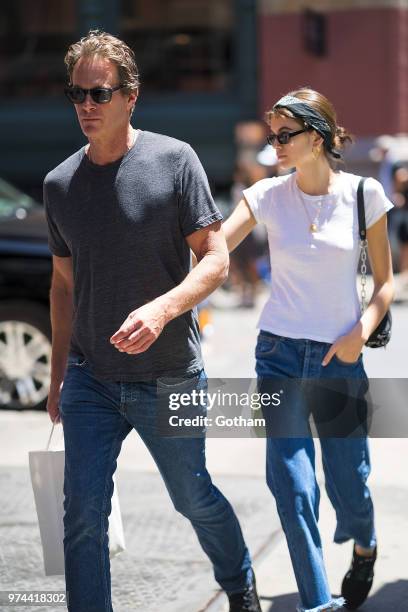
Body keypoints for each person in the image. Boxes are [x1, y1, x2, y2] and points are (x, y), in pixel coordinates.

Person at [44, 30, 261, 612]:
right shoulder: (59, 185)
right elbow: (63, 283)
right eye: (77, 94)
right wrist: (60, 373)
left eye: (99, 93)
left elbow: (216, 259)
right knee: (82, 516)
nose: (86, 106)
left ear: (130, 95)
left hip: (169, 376)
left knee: (192, 497)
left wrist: (163, 308)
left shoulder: (174, 160)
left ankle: (239, 581)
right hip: (92, 377)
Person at [222, 88, 394, 611]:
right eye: (271, 134)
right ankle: (319, 603)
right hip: (277, 354)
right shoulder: (267, 195)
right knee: (292, 487)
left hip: (340, 358)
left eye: (283, 135)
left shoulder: (365, 195)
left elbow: (386, 283)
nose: (273, 144)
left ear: (315, 138)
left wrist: (357, 334)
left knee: (350, 480)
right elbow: (213, 249)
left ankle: (364, 546)